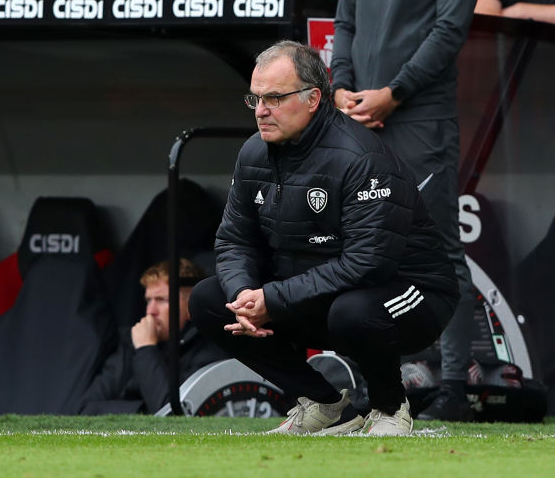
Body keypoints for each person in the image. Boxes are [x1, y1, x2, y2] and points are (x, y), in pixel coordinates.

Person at [189, 41, 460, 437]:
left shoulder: (360, 157)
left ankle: (389, 408)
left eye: (275, 98)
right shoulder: (253, 153)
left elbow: (368, 263)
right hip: (318, 294)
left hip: (411, 293)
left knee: (352, 312)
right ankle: (323, 403)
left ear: (314, 98)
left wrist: (275, 299)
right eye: (255, 98)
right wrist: (246, 293)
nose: (261, 111)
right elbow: (234, 240)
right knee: (211, 300)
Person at [329, 0, 481, 422]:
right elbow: (344, 23)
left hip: (419, 118)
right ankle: (378, 390)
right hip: (358, 116)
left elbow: (450, 30)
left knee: (439, 250)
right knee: (361, 249)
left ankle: (454, 388)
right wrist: (340, 87)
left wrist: (395, 91)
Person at [80, 259, 226, 414]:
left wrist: (146, 350)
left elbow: (173, 415)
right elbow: (86, 410)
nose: (151, 311)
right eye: (148, 300)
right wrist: (143, 411)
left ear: (190, 304)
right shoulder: (133, 342)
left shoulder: (209, 348)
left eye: (161, 300)